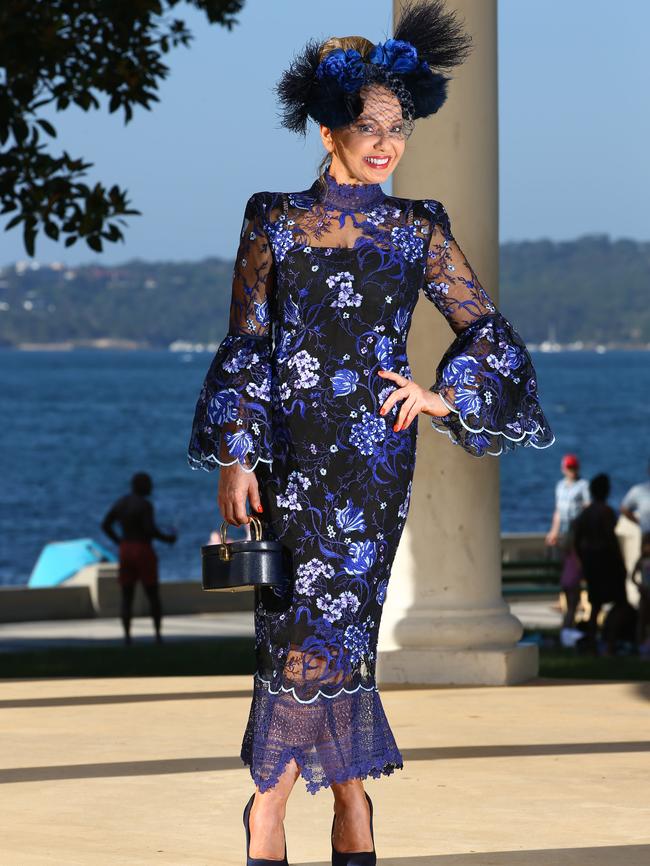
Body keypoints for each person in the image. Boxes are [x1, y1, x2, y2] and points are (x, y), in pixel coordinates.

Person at [187, 2, 555, 861]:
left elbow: (489, 331)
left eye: (400, 126)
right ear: (327, 130)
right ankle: (320, 805)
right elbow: (245, 340)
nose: (387, 143)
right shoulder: (272, 216)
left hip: (373, 462)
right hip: (289, 457)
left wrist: (438, 395)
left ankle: (299, 805)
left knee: (344, 630)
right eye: (368, 126)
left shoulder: (416, 225)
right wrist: (236, 453)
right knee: (291, 625)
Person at [101, 471, 177, 645]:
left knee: (127, 595)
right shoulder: (145, 505)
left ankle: (127, 637)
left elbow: (105, 525)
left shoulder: (121, 503)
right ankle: (158, 636)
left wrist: (119, 541)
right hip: (143, 549)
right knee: (152, 594)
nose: (151, 487)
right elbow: (150, 530)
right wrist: (168, 539)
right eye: (149, 484)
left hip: (125, 549)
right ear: (143, 486)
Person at [572, 473, 627, 654]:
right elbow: (611, 540)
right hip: (607, 563)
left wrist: (584, 560)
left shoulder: (585, 514)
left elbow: (576, 540)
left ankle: (592, 643)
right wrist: (620, 563)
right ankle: (609, 643)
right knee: (620, 602)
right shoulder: (606, 511)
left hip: (591, 564)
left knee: (595, 605)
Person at [546, 453, 590, 627]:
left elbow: (586, 507)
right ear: (564, 468)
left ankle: (576, 600)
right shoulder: (560, 486)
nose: (571, 471)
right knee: (565, 567)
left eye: (573, 467)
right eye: (568, 467)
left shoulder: (583, 485)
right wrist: (553, 532)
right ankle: (564, 600)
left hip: (576, 533)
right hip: (563, 532)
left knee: (575, 568)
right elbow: (558, 511)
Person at [630, 531, 650, 653]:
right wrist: (640, 586)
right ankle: (640, 644)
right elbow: (632, 576)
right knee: (642, 620)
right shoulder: (641, 560)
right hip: (644, 594)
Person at [621, 459, 650, 537]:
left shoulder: (638, 490)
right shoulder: (638, 491)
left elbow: (624, 508)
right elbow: (624, 508)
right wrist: (638, 522)